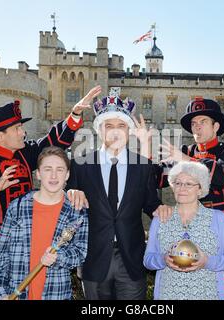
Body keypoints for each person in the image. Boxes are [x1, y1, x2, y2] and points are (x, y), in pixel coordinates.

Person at [0, 86, 101, 300]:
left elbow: (53, 142)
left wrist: (74, 115)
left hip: (26, 244)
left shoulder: (26, 153)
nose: (23, 132)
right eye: (17, 128)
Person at [140, 97, 224, 300]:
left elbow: (222, 177)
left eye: (203, 122)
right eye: (193, 124)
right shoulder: (185, 152)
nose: (196, 128)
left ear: (216, 126)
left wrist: (184, 160)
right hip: (190, 223)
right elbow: (152, 178)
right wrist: (145, 149)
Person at [67, 90, 172, 300]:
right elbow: (67, 208)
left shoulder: (142, 165)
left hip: (131, 258)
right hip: (93, 258)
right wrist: (70, 194)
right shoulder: (80, 165)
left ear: (129, 130)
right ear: (99, 130)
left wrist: (160, 209)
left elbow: (150, 203)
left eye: (121, 126)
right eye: (109, 126)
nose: (115, 132)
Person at [0, 146, 88, 300]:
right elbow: (1, 256)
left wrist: (58, 257)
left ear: (67, 174)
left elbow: (81, 253)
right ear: (38, 174)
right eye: (48, 169)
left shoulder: (76, 211)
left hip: (56, 294)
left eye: (60, 170)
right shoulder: (17, 207)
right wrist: (1, 293)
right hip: (16, 293)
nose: (54, 176)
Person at [144, 161, 224, 300]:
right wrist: (163, 259)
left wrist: (207, 261)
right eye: (178, 183)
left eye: (189, 184)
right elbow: (148, 260)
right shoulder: (161, 218)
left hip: (208, 295)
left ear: (200, 189)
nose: (182, 188)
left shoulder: (218, 218)